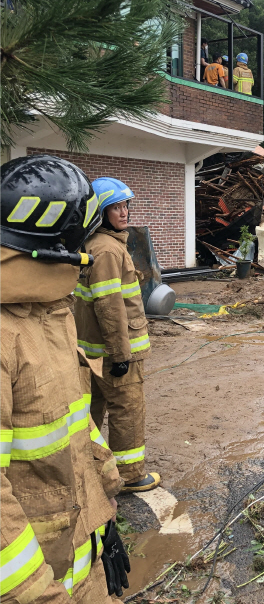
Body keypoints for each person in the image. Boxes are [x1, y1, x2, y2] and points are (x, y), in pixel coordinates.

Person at [1, 155, 131, 602]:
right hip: (38, 579)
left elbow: (74, 419)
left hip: (78, 544)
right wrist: (41, 594)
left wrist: (105, 499)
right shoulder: (5, 333)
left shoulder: (49, 311)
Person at [74, 177, 160, 494]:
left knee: (92, 410)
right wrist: (121, 355)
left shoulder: (94, 245)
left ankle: (94, 470)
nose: (123, 212)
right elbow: (110, 307)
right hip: (115, 353)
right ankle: (129, 475)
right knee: (127, 410)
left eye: (125, 205)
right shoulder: (109, 250)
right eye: (115, 207)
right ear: (99, 213)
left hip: (91, 351)